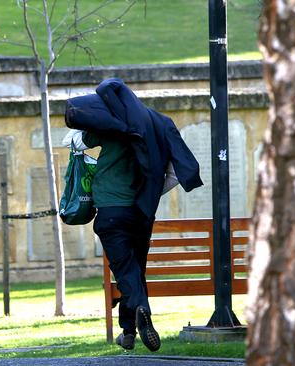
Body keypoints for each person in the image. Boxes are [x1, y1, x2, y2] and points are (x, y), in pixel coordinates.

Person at [63, 78, 203, 352]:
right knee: (134, 271)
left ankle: (142, 309)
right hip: (141, 211)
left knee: (125, 271)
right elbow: (175, 172)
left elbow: (78, 142)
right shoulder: (158, 122)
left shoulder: (110, 124)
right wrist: (149, 193)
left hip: (112, 211)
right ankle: (128, 332)